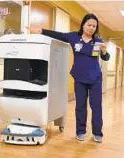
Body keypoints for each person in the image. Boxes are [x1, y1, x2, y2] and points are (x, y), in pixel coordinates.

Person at [27, 13, 110, 143]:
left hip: (95, 78)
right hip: (80, 77)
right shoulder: (74, 37)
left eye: (94, 26)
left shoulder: (97, 41)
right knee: (80, 106)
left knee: (96, 106)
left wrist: (104, 52)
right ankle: (80, 131)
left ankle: (97, 133)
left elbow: (105, 58)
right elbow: (58, 35)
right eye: (89, 25)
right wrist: (41, 31)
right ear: (83, 25)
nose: (91, 28)